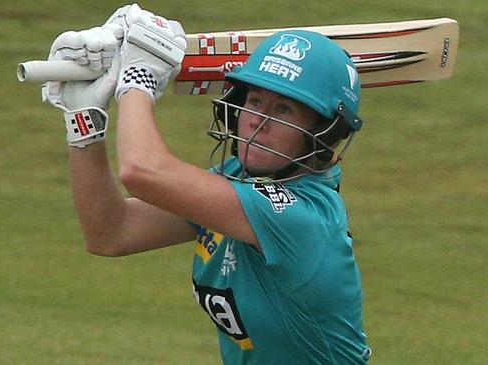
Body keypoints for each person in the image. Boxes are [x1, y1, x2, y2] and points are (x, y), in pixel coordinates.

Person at [43, 4, 371, 364]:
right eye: (255, 101)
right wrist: (83, 123)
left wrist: (138, 81)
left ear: (324, 133)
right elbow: (111, 232)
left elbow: (142, 171)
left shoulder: (299, 217)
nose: (257, 122)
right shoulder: (237, 184)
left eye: (283, 111)